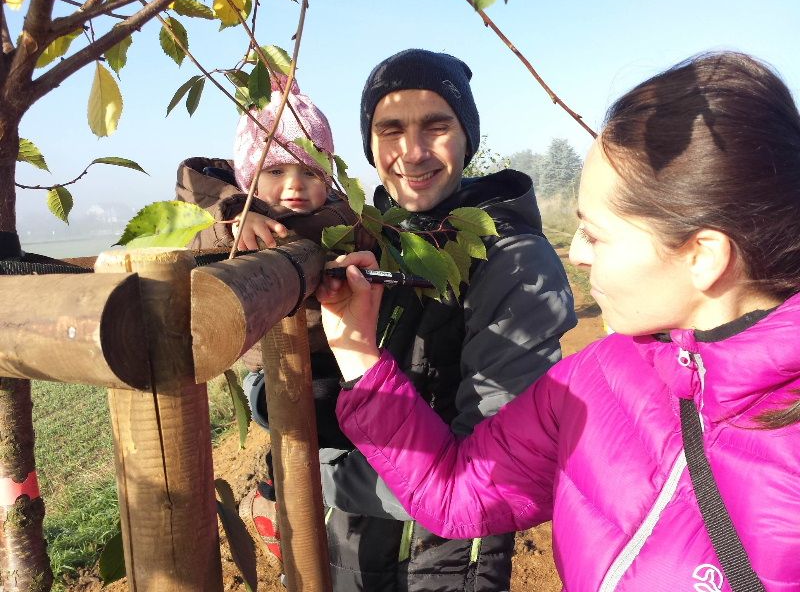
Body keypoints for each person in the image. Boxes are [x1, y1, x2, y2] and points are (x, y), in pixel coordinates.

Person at [318, 51, 800, 591]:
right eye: (391, 128)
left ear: (703, 256)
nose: (575, 254)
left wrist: (326, 478)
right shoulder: (593, 383)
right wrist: (354, 350)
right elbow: (458, 490)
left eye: (596, 233)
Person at [317, 49, 576, 591]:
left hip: (450, 554)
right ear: (369, 144)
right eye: (390, 129)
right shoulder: (372, 239)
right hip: (356, 538)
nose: (412, 152)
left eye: (437, 126)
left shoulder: (514, 262)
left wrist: (330, 467)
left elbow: (488, 469)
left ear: (467, 138)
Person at [174, 76, 356, 561]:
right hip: (274, 368)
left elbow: (343, 228)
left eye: (310, 172)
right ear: (249, 177)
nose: (295, 186)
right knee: (307, 414)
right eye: (275, 172)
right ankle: (278, 500)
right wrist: (234, 212)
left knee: (339, 417)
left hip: (336, 354)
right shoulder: (233, 220)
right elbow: (192, 180)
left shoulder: (338, 214)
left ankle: (325, 504)